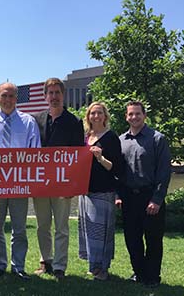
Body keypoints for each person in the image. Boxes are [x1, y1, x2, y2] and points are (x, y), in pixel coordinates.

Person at [0, 82, 41, 280]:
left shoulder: (29, 122)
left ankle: (18, 266)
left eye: (12, 96)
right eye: (4, 95)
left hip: (19, 184)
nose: (7, 100)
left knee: (19, 228)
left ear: (17, 98)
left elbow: (35, 152)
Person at [32, 78, 84, 280]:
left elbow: (78, 157)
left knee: (61, 227)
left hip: (63, 184)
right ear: (45, 96)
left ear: (63, 95)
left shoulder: (74, 122)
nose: (54, 97)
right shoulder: (36, 120)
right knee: (42, 225)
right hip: (40, 183)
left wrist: (73, 185)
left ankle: (60, 266)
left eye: (57, 93)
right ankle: (46, 261)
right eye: (50, 93)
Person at [118, 100, 171, 288]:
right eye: (130, 114)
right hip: (129, 198)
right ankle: (139, 273)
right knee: (132, 239)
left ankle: (153, 277)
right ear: (126, 117)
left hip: (150, 197)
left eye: (137, 114)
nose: (134, 117)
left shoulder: (157, 139)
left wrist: (157, 200)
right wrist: (118, 195)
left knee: (153, 240)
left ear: (144, 115)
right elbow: (118, 172)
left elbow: (164, 172)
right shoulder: (121, 140)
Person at [78, 102, 123, 281]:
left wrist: (100, 157)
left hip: (103, 191)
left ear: (105, 116)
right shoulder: (86, 136)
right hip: (86, 191)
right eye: (92, 113)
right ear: (88, 117)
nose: (95, 116)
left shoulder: (111, 137)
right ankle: (93, 266)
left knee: (102, 232)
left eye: (99, 113)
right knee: (89, 231)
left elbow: (115, 167)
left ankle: (103, 268)